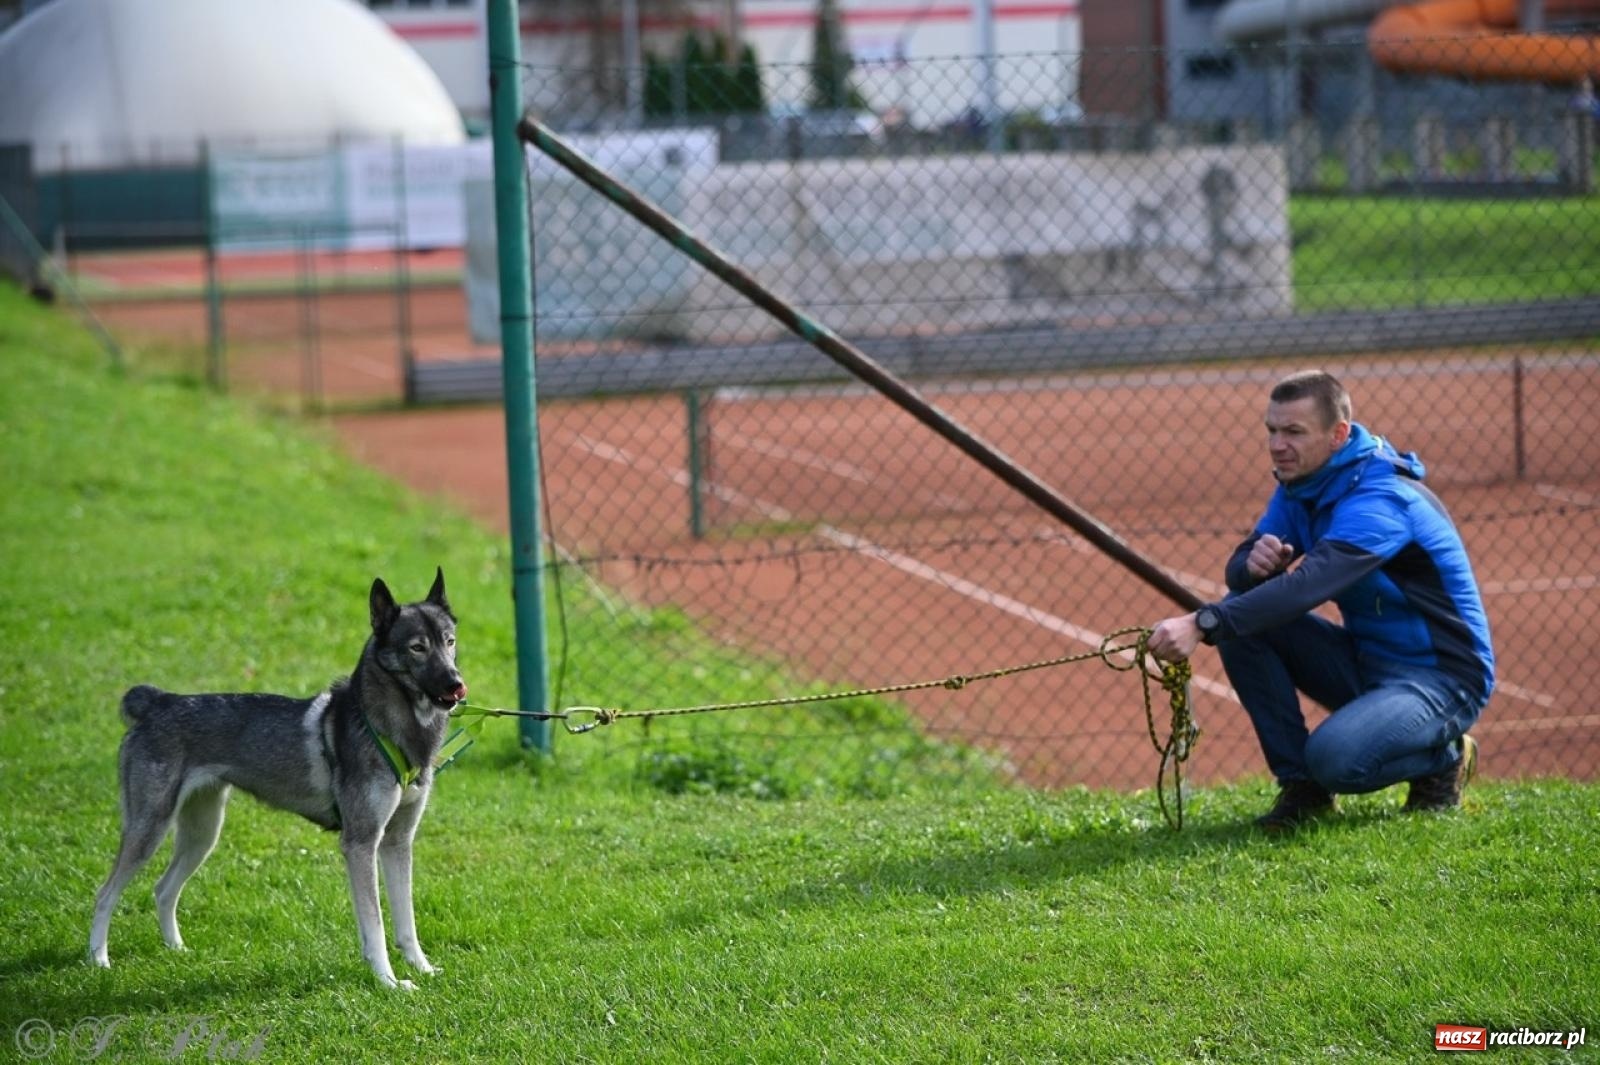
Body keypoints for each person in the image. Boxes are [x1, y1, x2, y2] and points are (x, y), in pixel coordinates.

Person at [1147, 370, 1494, 830]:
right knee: (1242, 619)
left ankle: (1442, 757)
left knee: (1335, 759)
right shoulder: (1302, 485)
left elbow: (1308, 586)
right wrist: (1253, 565)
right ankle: (1303, 791)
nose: (1276, 444)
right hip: (1370, 664)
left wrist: (1202, 623)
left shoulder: (1381, 499)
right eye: (1271, 430)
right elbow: (1241, 571)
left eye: (1293, 432)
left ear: (1338, 435)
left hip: (1443, 679)